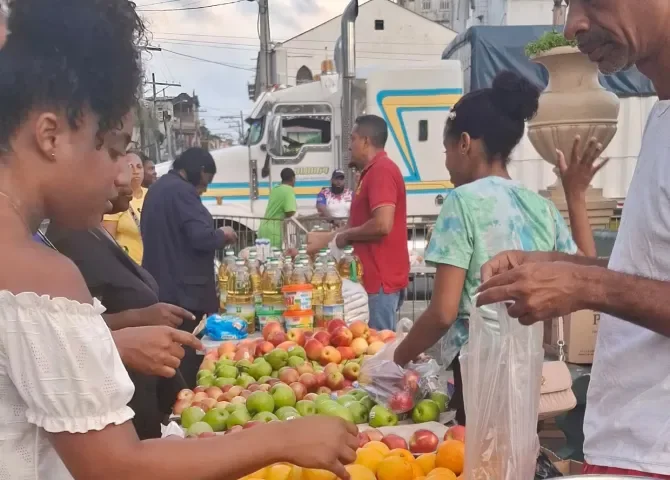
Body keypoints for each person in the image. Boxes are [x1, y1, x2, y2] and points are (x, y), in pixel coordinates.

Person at [0, 1, 358, 479]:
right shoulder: (39, 271)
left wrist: (111, 343)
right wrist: (284, 437)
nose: (118, 173)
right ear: (50, 135)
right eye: (108, 149)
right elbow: (118, 469)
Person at [476, 1, 670, 477]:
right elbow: (653, 273)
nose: (574, 24)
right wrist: (560, 268)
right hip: (628, 444)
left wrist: (586, 288)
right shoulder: (660, 116)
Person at [392, 71, 599, 425]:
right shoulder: (540, 206)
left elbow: (442, 313)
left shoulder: (462, 202)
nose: (446, 162)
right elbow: (588, 269)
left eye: (446, 149)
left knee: (480, 460)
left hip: (479, 368)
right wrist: (575, 195)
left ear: (465, 143)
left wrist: (397, 357)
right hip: (529, 362)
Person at [46, 151, 194, 440]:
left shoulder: (96, 230)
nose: (126, 178)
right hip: (121, 404)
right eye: (115, 157)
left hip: (144, 392)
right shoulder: (66, 242)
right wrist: (138, 320)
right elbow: (68, 332)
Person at [141, 147, 237, 388]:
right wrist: (222, 234)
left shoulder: (157, 189)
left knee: (169, 354)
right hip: (186, 293)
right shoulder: (182, 192)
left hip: (161, 287)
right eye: (208, 180)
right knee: (187, 357)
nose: (206, 188)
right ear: (201, 171)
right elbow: (201, 237)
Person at [335, 115, 409, 331]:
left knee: (380, 355)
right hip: (374, 281)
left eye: (353, 139)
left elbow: (382, 225)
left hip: (380, 283)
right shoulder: (370, 173)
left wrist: (346, 236)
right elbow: (359, 224)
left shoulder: (381, 171)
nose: (349, 146)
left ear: (366, 141)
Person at [103, 150, 147, 264]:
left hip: (154, 266)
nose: (136, 171)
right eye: (130, 167)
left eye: (139, 167)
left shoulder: (153, 195)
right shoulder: (117, 199)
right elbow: (108, 241)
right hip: (130, 266)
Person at [258, 167, 297, 248]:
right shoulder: (288, 190)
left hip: (263, 229)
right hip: (274, 232)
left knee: (262, 257)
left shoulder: (275, 189)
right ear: (293, 178)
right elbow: (289, 212)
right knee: (275, 258)